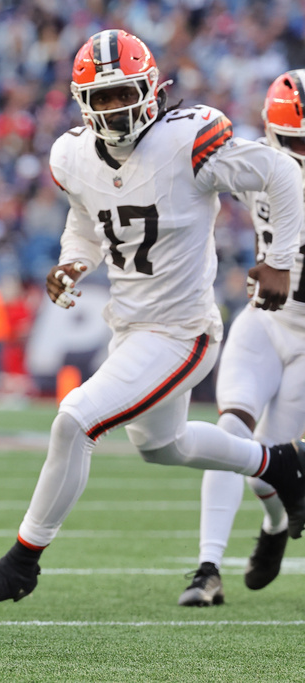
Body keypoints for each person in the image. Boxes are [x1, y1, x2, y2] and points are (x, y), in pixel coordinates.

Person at [0, 29, 305, 610]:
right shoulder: (72, 155)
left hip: (183, 330)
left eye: (124, 94)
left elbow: (282, 175)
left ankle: (20, 564)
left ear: (151, 89)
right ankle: (281, 463)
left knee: (74, 420)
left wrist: (277, 259)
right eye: (103, 97)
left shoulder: (189, 140)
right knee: (165, 446)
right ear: (83, 101)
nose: (114, 107)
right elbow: (89, 218)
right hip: (131, 325)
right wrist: (74, 261)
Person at [177, 70, 305, 607]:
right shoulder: (261, 162)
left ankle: (274, 524)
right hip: (262, 320)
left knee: (268, 468)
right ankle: (207, 568)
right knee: (230, 435)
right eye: (297, 142)